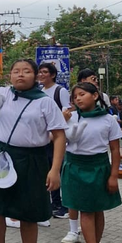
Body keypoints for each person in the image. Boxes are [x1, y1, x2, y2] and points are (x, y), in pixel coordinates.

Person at [0, 59, 67, 243]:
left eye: (27, 71)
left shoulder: (45, 102)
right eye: (16, 71)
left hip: (32, 159)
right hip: (1, 156)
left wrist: (55, 169)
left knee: (29, 211)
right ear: (9, 75)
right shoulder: (3, 94)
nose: (20, 75)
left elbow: (59, 136)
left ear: (36, 76)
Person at [62, 81, 122, 243]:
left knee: (98, 209)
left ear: (95, 96)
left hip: (99, 166)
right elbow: (54, 140)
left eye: (82, 94)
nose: (78, 98)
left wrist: (114, 175)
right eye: (75, 96)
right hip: (75, 166)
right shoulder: (70, 117)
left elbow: (115, 150)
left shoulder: (108, 120)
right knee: (87, 210)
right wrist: (62, 121)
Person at [37, 61, 71, 218]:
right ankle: (53, 202)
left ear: (53, 75)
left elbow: (68, 111)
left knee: (57, 169)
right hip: (43, 137)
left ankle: (63, 205)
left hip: (56, 138)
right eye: (40, 72)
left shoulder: (59, 91)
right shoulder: (39, 91)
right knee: (46, 170)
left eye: (45, 72)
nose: (41, 75)